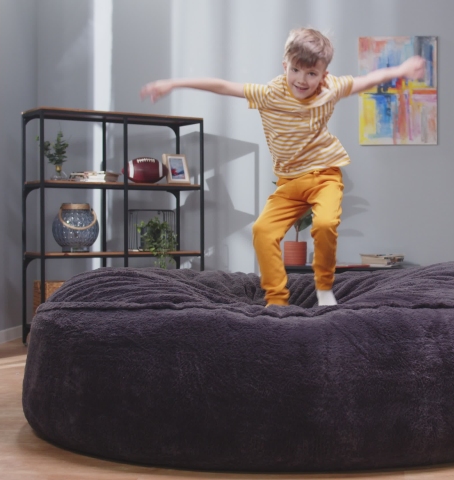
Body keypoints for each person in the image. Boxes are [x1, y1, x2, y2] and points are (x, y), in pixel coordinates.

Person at [141, 27, 425, 307]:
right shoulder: (269, 94)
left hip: (325, 175)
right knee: (263, 231)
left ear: (324, 74)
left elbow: (367, 81)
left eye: (312, 73)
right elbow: (223, 86)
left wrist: (401, 70)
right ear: (285, 65)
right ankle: (277, 301)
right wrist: (174, 83)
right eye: (296, 70)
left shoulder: (331, 88)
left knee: (325, 223)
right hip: (289, 183)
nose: (302, 80)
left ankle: (324, 287)